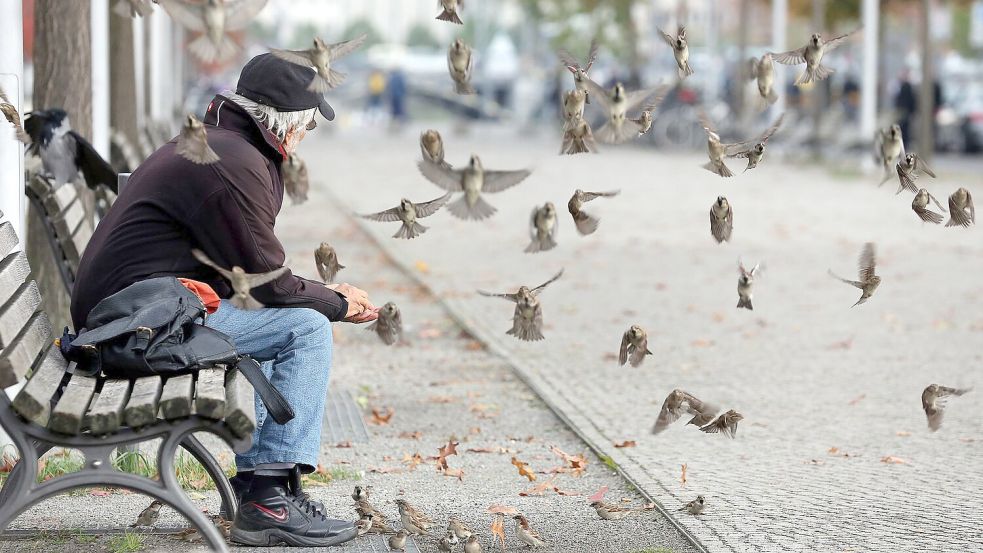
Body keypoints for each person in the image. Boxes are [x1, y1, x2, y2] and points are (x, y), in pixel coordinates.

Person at [70, 54, 377, 547]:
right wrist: (336, 303)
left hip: (137, 312)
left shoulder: (220, 145)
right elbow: (269, 283)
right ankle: (269, 498)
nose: (303, 141)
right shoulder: (231, 163)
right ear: (285, 125)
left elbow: (249, 273)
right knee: (306, 328)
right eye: (307, 128)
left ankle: (265, 489)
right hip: (133, 325)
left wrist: (324, 293)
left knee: (290, 318)